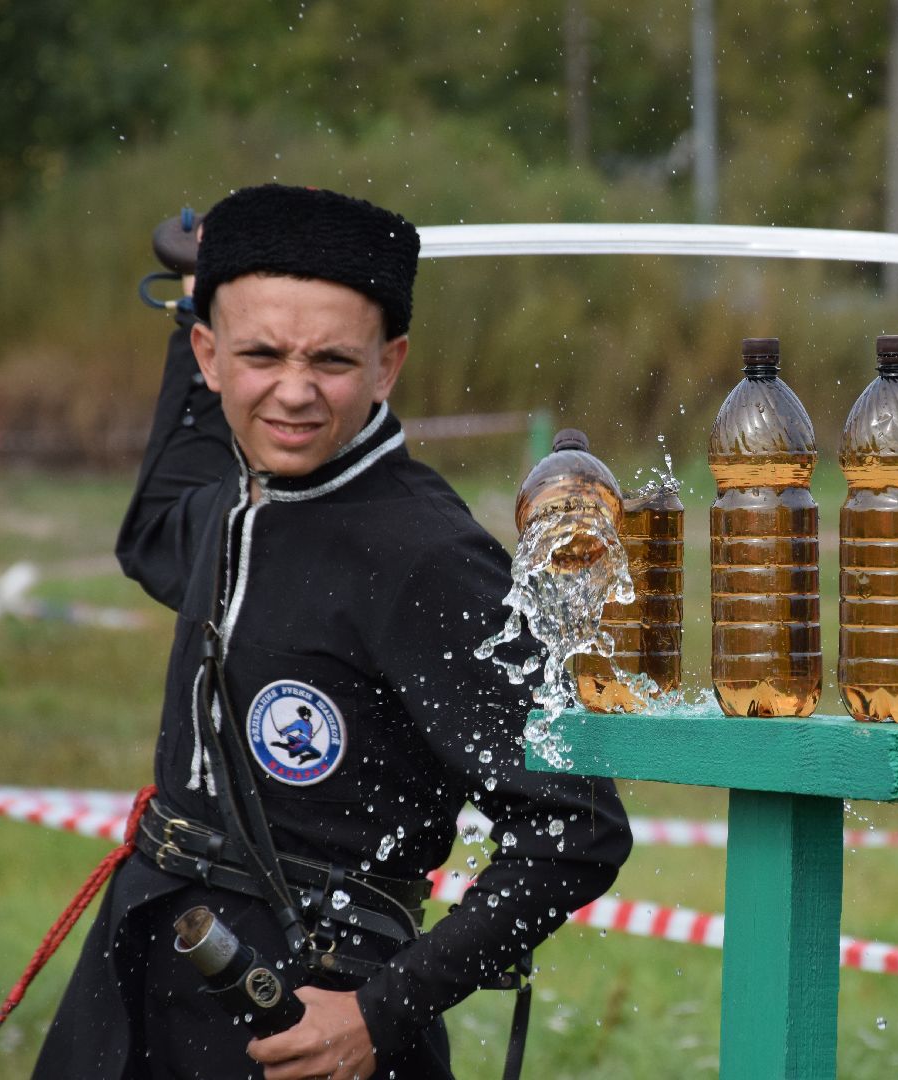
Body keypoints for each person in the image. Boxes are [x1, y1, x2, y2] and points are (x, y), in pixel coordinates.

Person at [31, 184, 633, 1079]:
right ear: (209, 352)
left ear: (389, 365)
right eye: (260, 354)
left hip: (307, 1021)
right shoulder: (233, 505)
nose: (295, 392)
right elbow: (154, 528)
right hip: (135, 980)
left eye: (333, 362)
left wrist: (379, 1014)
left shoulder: (430, 559)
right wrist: (198, 292)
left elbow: (574, 830)